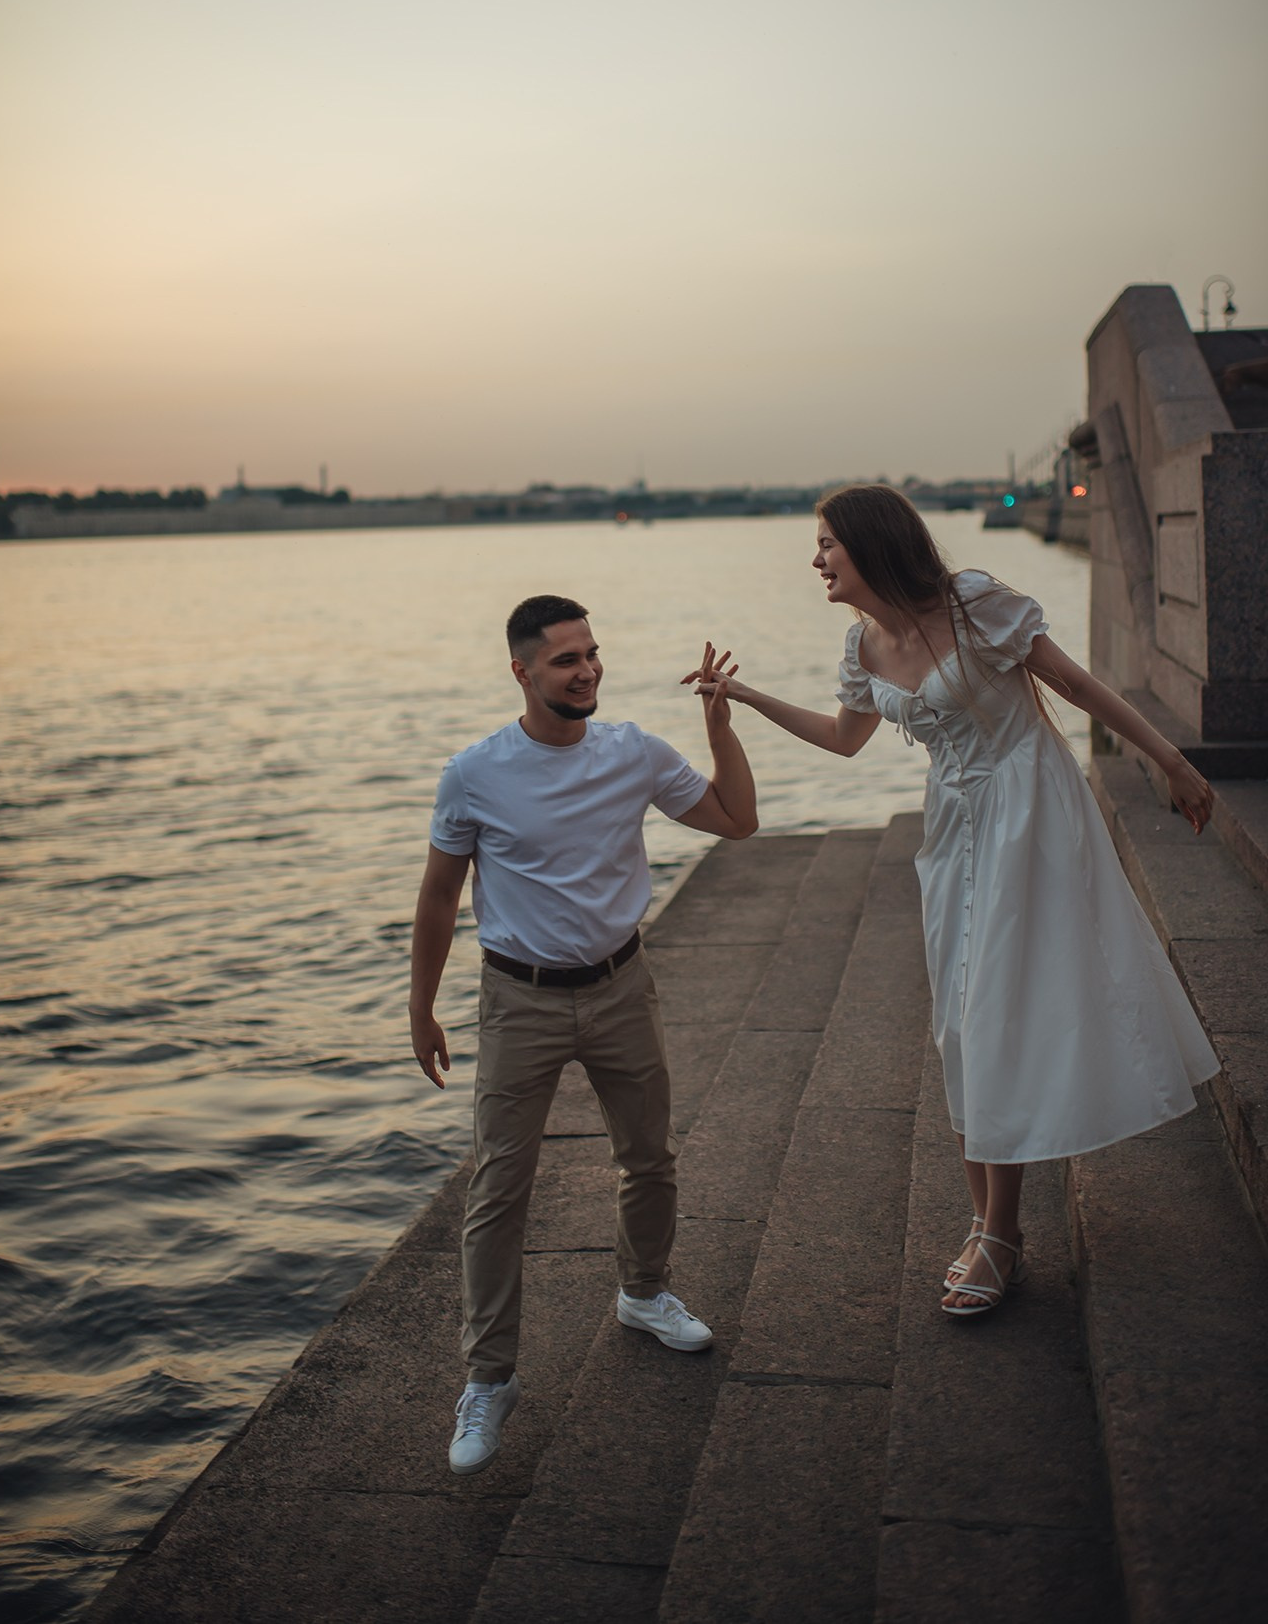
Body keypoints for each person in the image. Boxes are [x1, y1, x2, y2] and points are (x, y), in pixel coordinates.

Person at [685, 485, 1218, 1319]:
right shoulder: (862, 644)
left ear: (870, 544)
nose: (816, 559)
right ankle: (985, 1221)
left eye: (827, 543)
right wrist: (744, 703)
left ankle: (999, 1236)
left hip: (1031, 809)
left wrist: (1171, 762)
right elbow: (842, 737)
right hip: (956, 825)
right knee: (958, 1022)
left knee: (994, 1012)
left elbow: (1075, 686)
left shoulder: (975, 604)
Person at [410, 594, 758, 1473]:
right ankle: (490, 1377)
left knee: (649, 1157)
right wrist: (421, 1007)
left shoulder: (634, 751)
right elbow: (440, 894)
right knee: (499, 1189)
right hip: (517, 999)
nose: (587, 669)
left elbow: (734, 819)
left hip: (619, 986)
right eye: (565, 659)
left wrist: (720, 724)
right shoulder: (475, 772)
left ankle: (643, 1294)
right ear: (523, 672)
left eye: (592, 652)